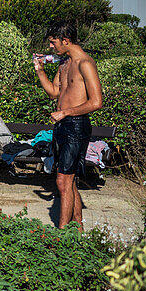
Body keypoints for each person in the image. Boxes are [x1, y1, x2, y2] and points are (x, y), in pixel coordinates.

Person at [35, 20, 103, 230]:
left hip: (76, 125)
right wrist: (40, 71)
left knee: (63, 182)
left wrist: (66, 112)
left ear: (66, 40)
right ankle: (78, 228)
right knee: (69, 180)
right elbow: (54, 92)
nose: (50, 47)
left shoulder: (85, 63)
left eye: (53, 42)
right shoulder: (64, 63)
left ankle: (62, 234)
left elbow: (96, 102)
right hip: (62, 125)